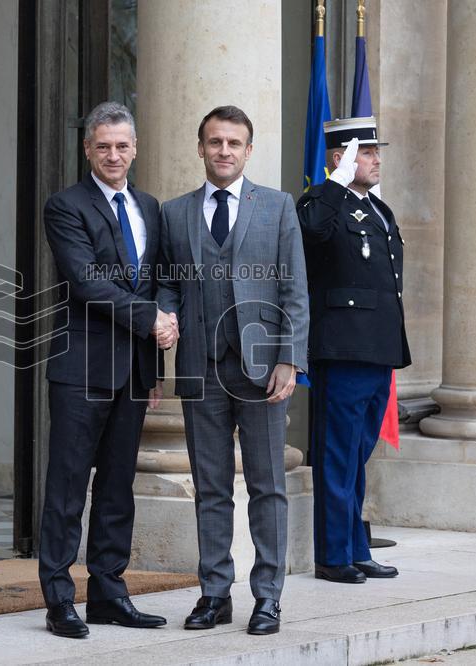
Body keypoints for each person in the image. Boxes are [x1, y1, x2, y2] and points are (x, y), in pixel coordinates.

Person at [156, 105, 309, 636]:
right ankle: (214, 593)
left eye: (234, 143)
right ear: (200, 148)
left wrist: (290, 358)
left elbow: (294, 288)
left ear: (248, 150)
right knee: (211, 486)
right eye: (215, 142)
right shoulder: (174, 213)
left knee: (268, 486)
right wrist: (166, 315)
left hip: (262, 368)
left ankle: (267, 596)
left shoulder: (277, 206)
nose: (224, 151)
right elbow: (167, 284)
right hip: (201, 369)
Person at [38, 101, 173, 638]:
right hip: (82, 368)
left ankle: (109, 593)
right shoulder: (65, 206)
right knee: (69, 486)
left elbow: (163, 279)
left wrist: (164, 330)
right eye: (103, 146)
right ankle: (59, 598)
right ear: (87, 149)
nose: (113, 155)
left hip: (136, 369)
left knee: (119, 486)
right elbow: (87, 280)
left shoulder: (150, 207)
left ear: (135, 148)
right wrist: (152, 320)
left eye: (122, 146)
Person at [296, 116, 411, 584]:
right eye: (366, 152)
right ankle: (332, 554)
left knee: (358, 454)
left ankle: (356, 545)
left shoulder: (377, 209)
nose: (376, 158)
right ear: (340, 159)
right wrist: (335, 184)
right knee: (337, 454)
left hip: (377, 348)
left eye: (375, 151)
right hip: (343, 349)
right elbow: (312, 232)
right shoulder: (323, 203)